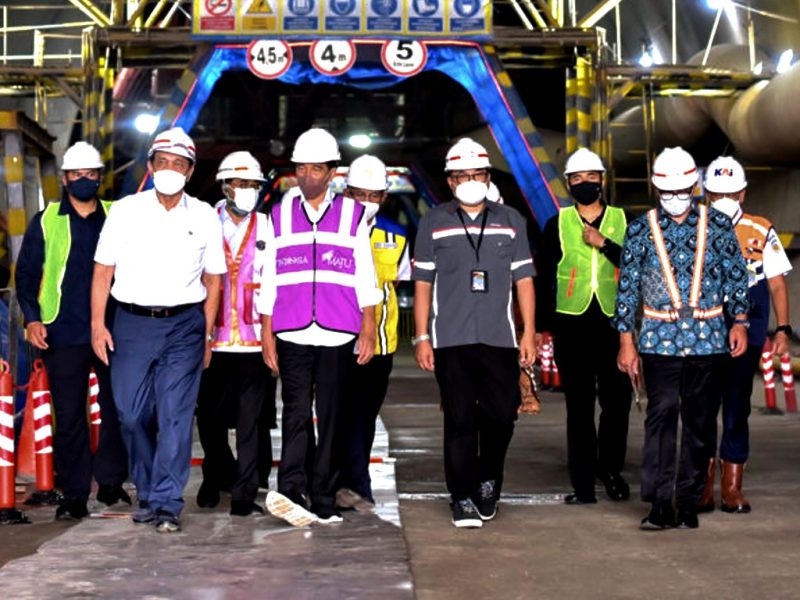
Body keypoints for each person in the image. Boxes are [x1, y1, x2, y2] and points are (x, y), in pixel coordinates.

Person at [91, 127, 226, 533]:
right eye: (163, 162)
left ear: (189, 171)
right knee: (131, 415)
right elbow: (102, 271)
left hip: (184, 326)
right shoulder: (126, 211)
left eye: (179, 164)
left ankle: (167, 501)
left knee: (175, 416)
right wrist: (99, 324)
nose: (170, 170)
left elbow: (215, 279)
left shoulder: (203, 215)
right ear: (150, 167)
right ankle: (147, 488)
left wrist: (206, 333)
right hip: (131, 323)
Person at [615, 147, 750, 531]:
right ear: (655, 189)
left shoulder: (719, 227)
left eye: (682, 191)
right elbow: (626, 289)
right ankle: (659, 503)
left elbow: (736, 277)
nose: (674, 199)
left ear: (695, 186)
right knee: (661, 416)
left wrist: (739, 321)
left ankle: (688, 500)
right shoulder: (641, 229)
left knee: (701, 421)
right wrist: (626, 339)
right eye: (666, 193)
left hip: (709, 338)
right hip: (659, 340)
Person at [412, 138, 536, 529]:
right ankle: (462, 495)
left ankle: (488, 479)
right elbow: (421, 284)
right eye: (462, 176)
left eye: (478, 174)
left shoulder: (512, 220)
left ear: (487, 176)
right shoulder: (433, 222)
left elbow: (525, 282)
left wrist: (529, 332)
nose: (471, 181)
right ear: (450, 181)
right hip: (450, 338)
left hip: (500, 337)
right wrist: (421, 337)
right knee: (460, 419)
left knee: (502, 416)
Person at [258, 128, 380, 526]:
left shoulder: (353, 215)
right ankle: (291, 491)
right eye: (301, 168)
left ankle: (323, 496)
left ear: (331, 173)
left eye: (317, 168)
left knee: (330, 415)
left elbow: (366, 276)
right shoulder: (277, 216)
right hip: (292, 330)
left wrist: (367, 329)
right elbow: (269, 278)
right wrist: (267, 333)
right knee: (294, 412)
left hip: (337, 330)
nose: (308, 175)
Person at [16, 141, 129, 520]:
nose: (84, 179)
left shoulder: (117, 215)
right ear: (65, 179)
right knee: (69, 416)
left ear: (100, 177)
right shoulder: (47, 220)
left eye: (90, 174)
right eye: (76, 174)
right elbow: (27, 274)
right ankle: (76, 494)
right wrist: (32, 318)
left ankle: (112, 484)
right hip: (62, 332)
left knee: (119, 411)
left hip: (113, 330)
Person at [536, 148, 631, 505]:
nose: (586, 183)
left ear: (602, 180)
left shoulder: (624, 220)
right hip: (571, 323)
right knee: (578, 406)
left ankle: (610, 470)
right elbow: (545, 275)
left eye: (592, 177)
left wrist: (604, 243)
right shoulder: (556, 223)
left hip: (613, 324)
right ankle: (583, 484)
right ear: (569, 184)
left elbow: (639, 265)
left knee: (617, 402)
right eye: (578, 179)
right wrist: (542, 327)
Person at [698, 156, 793, 514]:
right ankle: (702, 485)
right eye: (716, 192)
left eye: (730, 191)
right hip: (703, 332)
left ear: (743, 192)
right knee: (702, 408)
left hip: (749, 332)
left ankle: (732, 487)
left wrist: (781, 329)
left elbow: (778, 284)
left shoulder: (760, 228)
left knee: (736, 407)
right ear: (706, 194)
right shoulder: (692, 227)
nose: (724, 198)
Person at [195, 151, 276, 517]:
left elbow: (274, 284)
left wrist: (272, 339)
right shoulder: (202, 221)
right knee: (210, 418)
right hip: (212, 340)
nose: (248, 191)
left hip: (254, 339)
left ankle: (244, 494)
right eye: (241, 184)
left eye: (253, 186)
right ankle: (214, 479)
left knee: (250, 422)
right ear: (226, 186)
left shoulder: (268, 226)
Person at [335, 155, 411, 511]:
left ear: (384, 198)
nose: (365, 201)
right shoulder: (328, 231)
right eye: (358, 193)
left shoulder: (396, 236)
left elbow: (399, 282)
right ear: (345, 192)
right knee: (334, 412)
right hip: (334, 339)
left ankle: (356, 484)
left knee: (364, 415)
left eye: (374, 194)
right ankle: (328, 482)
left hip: (380, 342)